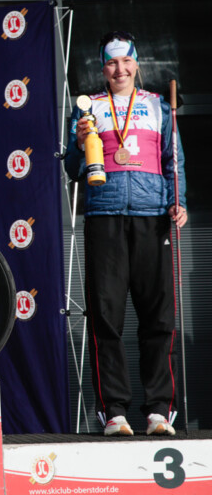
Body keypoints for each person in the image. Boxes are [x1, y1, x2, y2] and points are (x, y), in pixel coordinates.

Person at [65, 32, 187, 436]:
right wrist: (79, 144)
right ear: (103, 67)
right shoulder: (89, 108)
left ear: (137, 64)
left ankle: (158, 411)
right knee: (107, 318)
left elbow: (174, 158)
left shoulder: (157, 105)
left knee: (158, 318)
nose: (119, 69)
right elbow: (70, 168)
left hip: (153, 218)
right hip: (105, 216)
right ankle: (114, 412)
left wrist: (178, 201)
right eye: (111, 63)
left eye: (126, 62)